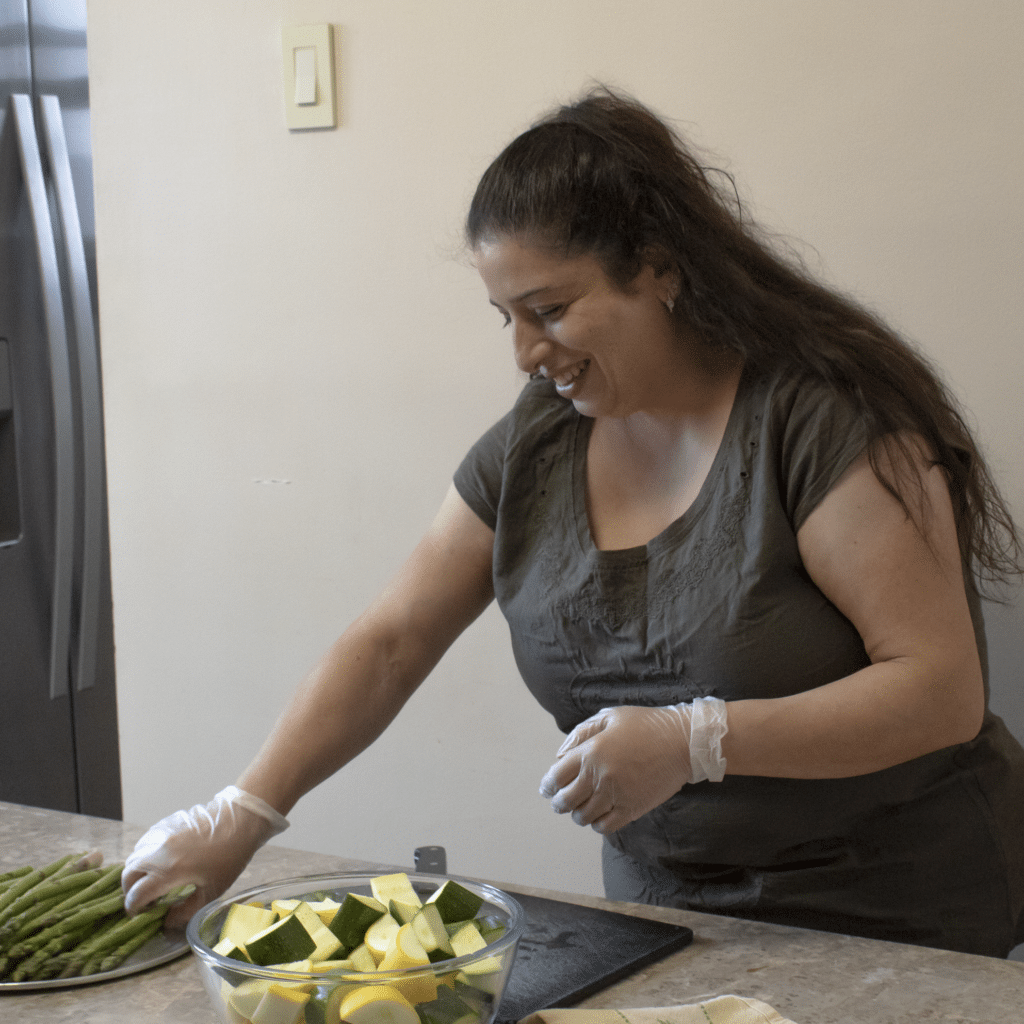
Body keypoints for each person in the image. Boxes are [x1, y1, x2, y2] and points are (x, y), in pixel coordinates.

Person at [123, 88, 1024, 957]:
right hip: (669, 912)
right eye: (506, 318)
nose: (525, 353)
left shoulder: (824, 421)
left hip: (895, 907)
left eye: (550, 311)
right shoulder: (539, 440)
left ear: (659, 267)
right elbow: (394, 639)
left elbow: (939, 690)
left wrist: (697, 741)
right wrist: (244, 811)